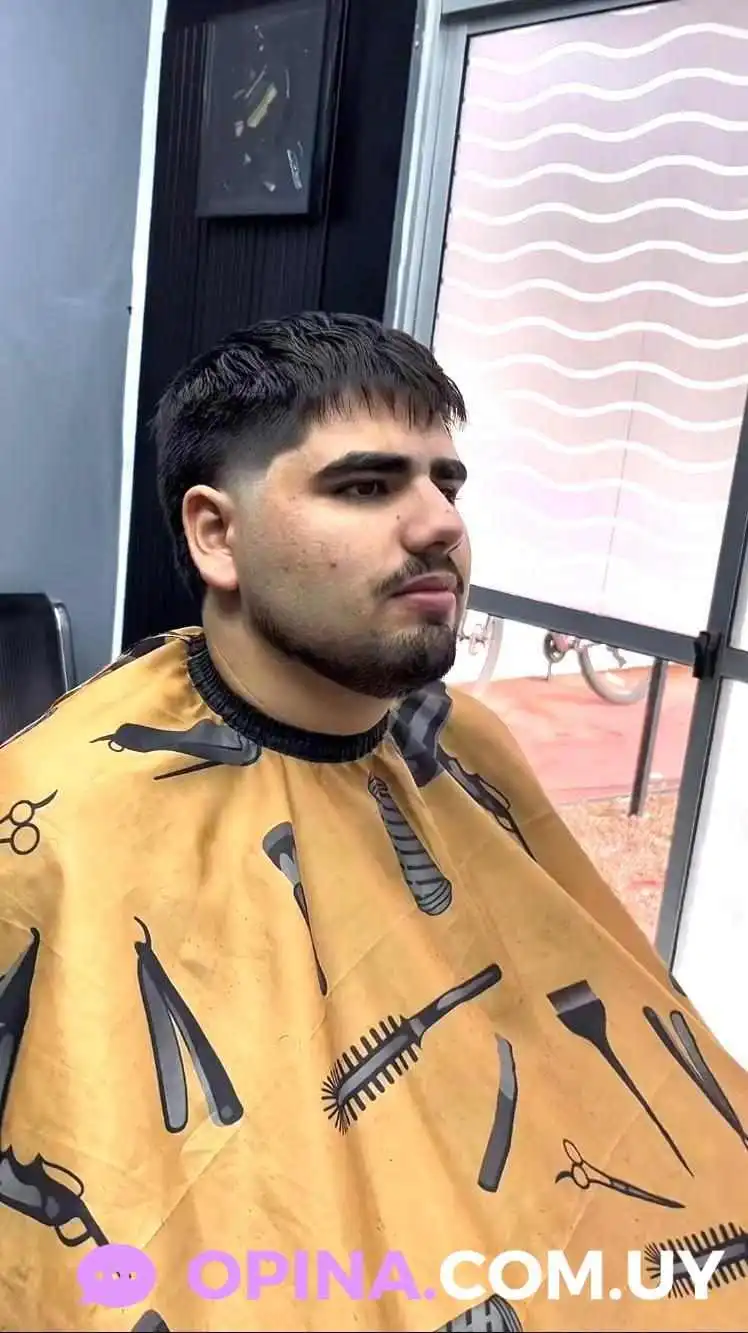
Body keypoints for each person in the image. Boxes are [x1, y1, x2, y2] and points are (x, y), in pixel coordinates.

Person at [0, 313, 745, 1333]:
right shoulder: (56, 817)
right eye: (365, 486)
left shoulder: (461, 744)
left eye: (448, 484)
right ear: (215, 534)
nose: (439, 525)